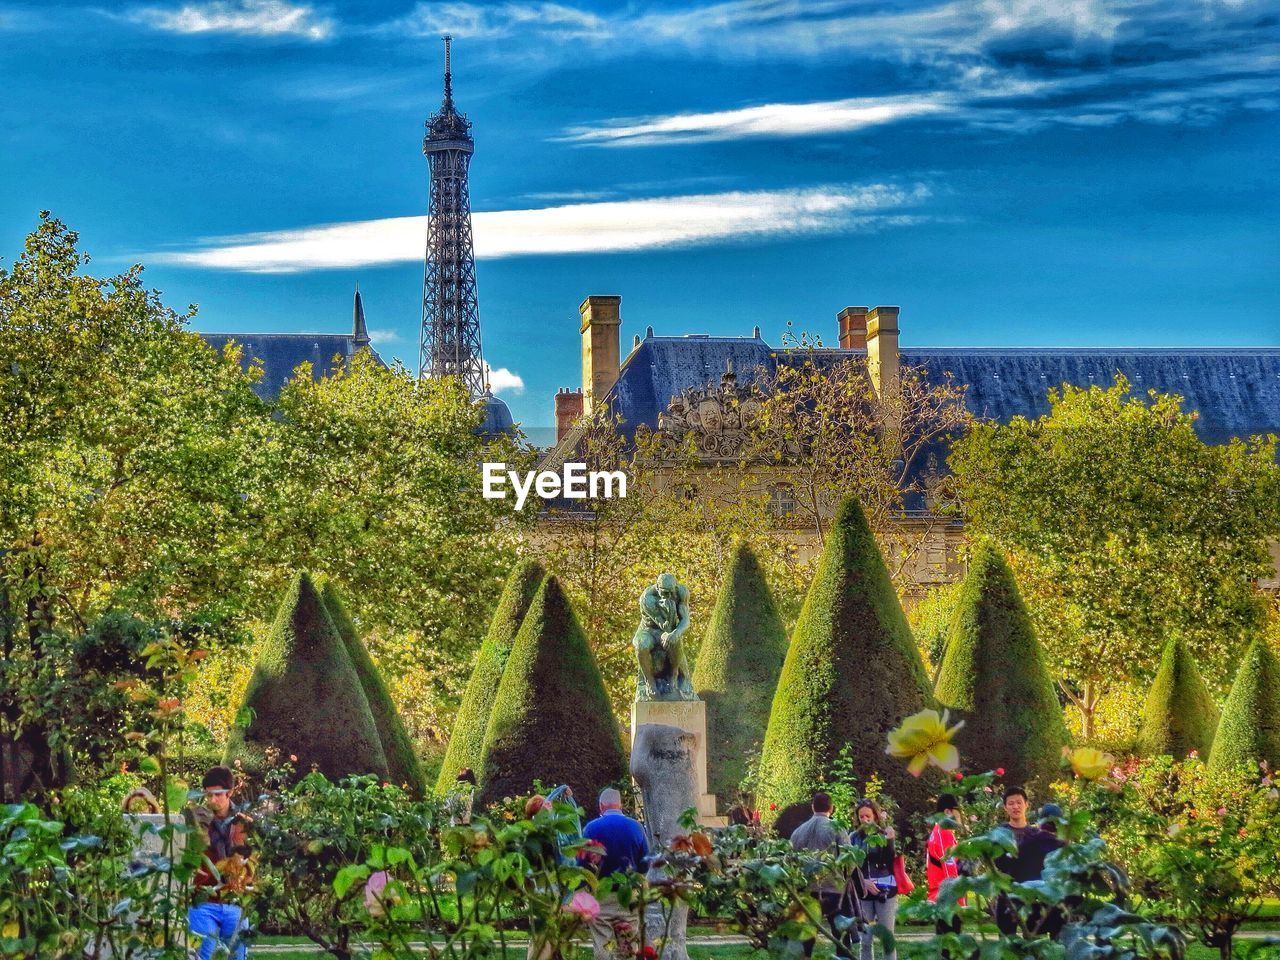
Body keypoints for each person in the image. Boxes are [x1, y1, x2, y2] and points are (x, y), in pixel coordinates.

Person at [789, 791, 869, 960]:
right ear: (831, 808)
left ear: (812, 807)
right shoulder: (837, 828)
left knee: (806, 937)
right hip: (834, 890)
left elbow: (791, 862)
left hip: (807, 890)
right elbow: (849, 859)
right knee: (841, 935)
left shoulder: (797, 832)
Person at [187, 766, 253, 960]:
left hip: (235, 903)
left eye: (217, 795)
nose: (212, 800)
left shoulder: (244, 824)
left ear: (230, 792)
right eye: (208, 795)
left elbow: (254, 861)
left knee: (237, 956)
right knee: (203, 955)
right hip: (204, 902)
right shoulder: (198, 821)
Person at [581, 788, 650, 960]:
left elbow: (582, 864)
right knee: (628, 946)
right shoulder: (636, 827)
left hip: (601, 894)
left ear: (601, 806)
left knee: (603, 945)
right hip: (628, 895)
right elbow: (645, 862)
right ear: (620, 804)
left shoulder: (591, 828)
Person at [992, 786, 1065, 936]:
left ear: (1026, 805)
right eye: (1011, 803)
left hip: (1034, 895)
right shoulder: (999, 834)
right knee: (1007, 942)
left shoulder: (1037, 835)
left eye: (1019, 802)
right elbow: (996, 862)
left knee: (1034, 938)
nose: (1015, 806)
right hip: (1008, 893)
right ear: (1005, 807)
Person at [851, 799, 898, 960]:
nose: (865, 820)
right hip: (863, 894)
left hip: (885, 891)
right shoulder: (854, 837)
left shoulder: (884, 835)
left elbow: (889, 861)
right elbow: (849, 866)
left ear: (875, 817)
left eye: (868, 816)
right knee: (865, 940)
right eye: (861, 816)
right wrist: (863, 881)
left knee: (887, 939)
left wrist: (890, 841)